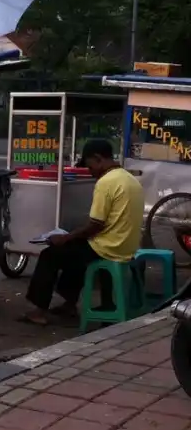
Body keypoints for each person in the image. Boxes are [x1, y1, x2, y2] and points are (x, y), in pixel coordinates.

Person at [21, 139, 144, 326]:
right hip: (126, 246)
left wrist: (65, 237)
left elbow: (96, 225)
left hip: (108, 248)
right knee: (75, 253)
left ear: (98, 159)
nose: (90, 171)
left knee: (51, 254)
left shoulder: (106, 182)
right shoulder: (130, 179)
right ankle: (69, 304)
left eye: (89, 166)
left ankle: (38, 310)